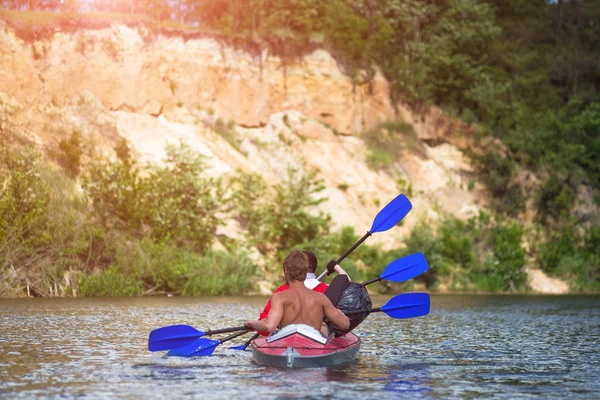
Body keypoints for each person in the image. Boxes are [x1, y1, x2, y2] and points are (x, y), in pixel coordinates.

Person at [244, 250, 350, 336]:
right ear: (306, 272)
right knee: (323, 326)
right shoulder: (321, 298)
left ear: (286, 270)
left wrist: (250, 323)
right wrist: (340, 313)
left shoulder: (280, 297)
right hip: (314, 345)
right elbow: (345, 325)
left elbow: (269, 326)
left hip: (287, 344)